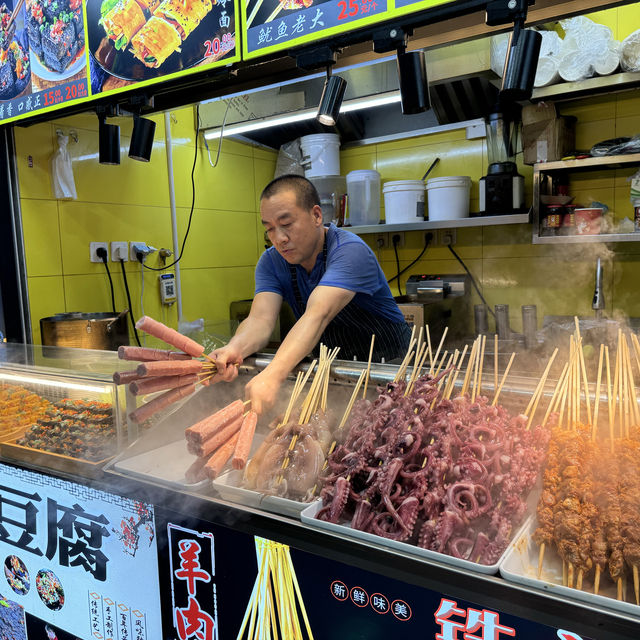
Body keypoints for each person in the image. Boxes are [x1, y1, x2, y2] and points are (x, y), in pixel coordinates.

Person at [212, 174, 411, 413]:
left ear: (316, 215)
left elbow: (318, 313)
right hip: (333, 373)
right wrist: (236, 347)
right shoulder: (271, 262)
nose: (279, 239)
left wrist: (273, 375)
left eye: (286, 224)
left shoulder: (350, 251)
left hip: (389, 371)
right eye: (270, 229)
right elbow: (260, 320)